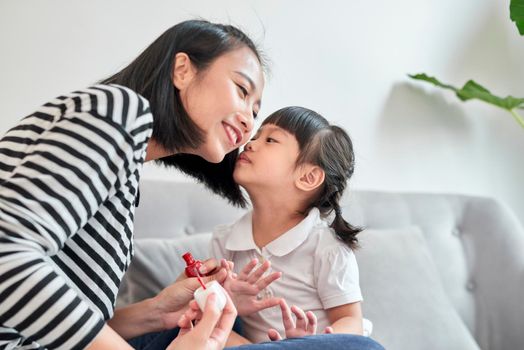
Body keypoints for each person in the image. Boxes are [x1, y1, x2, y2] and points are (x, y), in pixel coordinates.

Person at [210, 107, 375, 346]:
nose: (250, 143)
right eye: (256, 136)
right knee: (204, 315)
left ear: (308, 177)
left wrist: (309, 343)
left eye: (270, 140)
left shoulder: (327, 248)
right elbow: (213, 322)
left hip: (315, 346)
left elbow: (351, 320)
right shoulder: (224, 240)